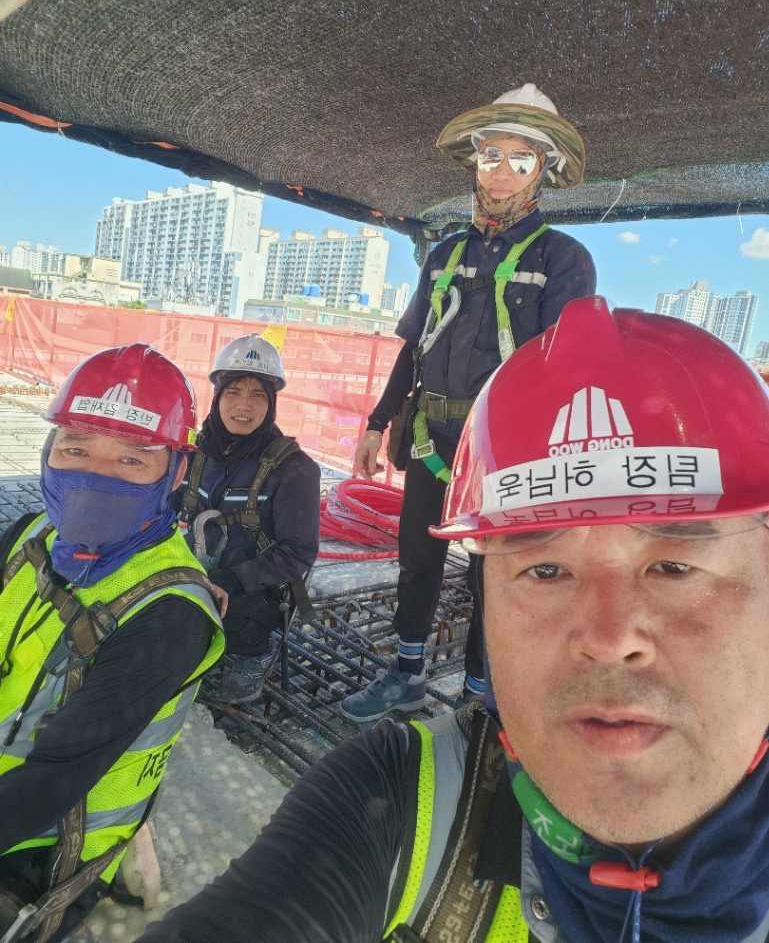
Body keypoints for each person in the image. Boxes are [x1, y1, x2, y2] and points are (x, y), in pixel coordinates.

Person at [130, 297, 769, 943]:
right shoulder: (400, 794)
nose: (609, 640)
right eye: (545, 570)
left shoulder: (287, 467)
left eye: (673, 568)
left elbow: (294, 551)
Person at [343, 82, 596, 721]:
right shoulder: (445, 255)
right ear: (476, 163)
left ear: (544, 170)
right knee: (417, 558)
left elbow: (565, 370)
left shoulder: (563, 259)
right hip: (430, 436)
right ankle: (406, 673)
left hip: (505, 447)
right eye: (492, 155)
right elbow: (413, 348)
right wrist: (376, 425)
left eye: (521, 158)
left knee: (496, 571)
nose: (502, 171)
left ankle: (480, 695)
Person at [0, 344, 224, 943]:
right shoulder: (31, 536)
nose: (95, 477)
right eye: (75, 449)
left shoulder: (170, 615)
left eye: (131, 458)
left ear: (175, 473)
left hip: (44, 839)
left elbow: (51, 782)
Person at [173, 334, 320, 704]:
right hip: (193, 567)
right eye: (234, 392)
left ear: (271, 403)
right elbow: (160, 511)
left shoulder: (292, 468)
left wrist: (231, 580)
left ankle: (253, 653)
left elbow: (299, 552)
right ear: (217, 395)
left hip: (253, 589)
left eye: (258, 395)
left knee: (221, 612)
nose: (244, 405)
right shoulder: (192, 452)